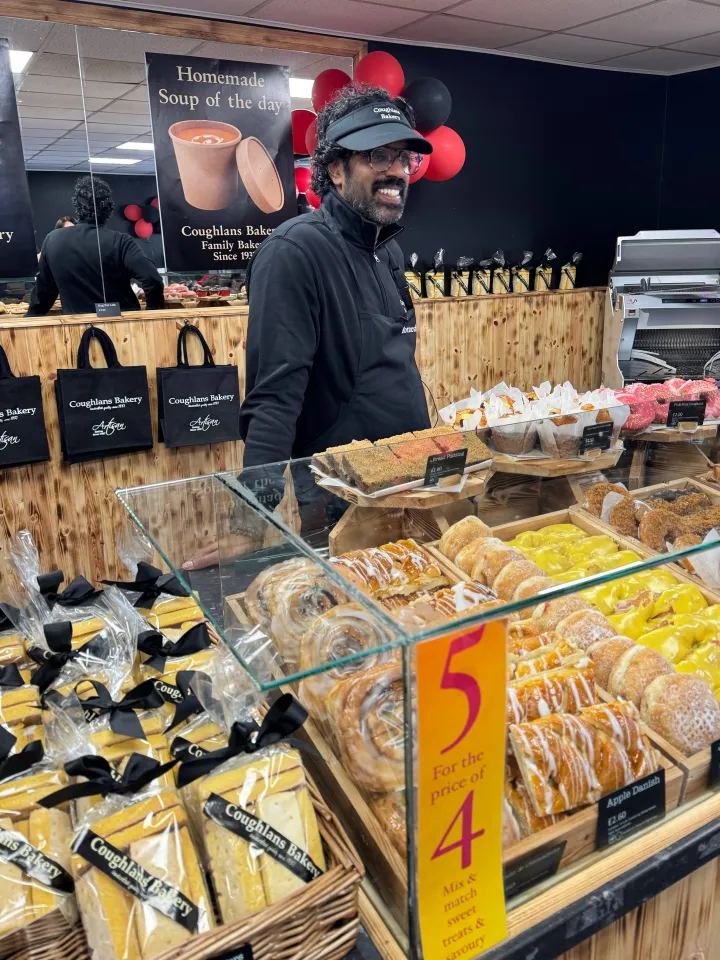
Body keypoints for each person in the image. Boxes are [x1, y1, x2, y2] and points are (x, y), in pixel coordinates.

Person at [184, 84, 434, 570]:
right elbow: (273, 397)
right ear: (336, 169)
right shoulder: (294, 253)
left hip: (410, 477)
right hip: (342, 494)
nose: (397, 172)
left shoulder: (388, 250)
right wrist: (250, 521)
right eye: (379, 156)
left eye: (404, 158)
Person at [27, 176, 164, 316]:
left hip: (77, 324)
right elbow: (152, 279)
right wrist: (153, 313)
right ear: (109, 209)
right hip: (123, 323)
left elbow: (44, 293)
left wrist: (29, 319)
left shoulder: (52, 240)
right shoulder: (121, 241)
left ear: (77, 207)